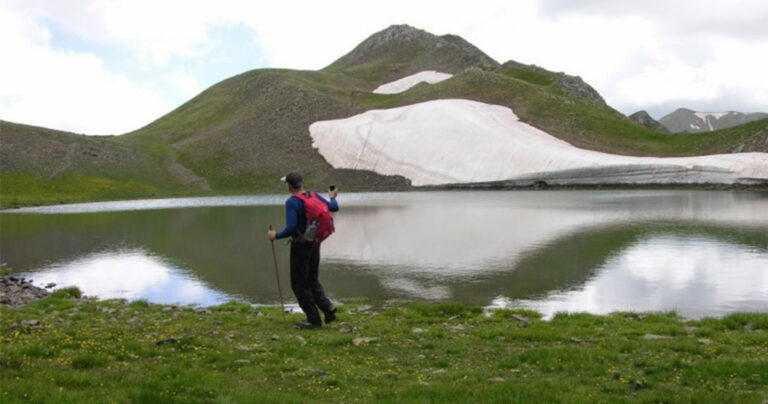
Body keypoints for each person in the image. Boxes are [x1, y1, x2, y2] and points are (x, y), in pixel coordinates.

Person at [267, 171, 339, 329]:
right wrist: (332, 196)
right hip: (315, 243)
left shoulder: (292, 202)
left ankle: (313, 320)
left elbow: (292, 228)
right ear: (301, 183)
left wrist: (275, 235)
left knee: (299, 284)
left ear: (289, 185)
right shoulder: (312, 195)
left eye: (286, 183)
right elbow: (333, 207)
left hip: (300, 245)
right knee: (312, 279)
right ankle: (327, 307)